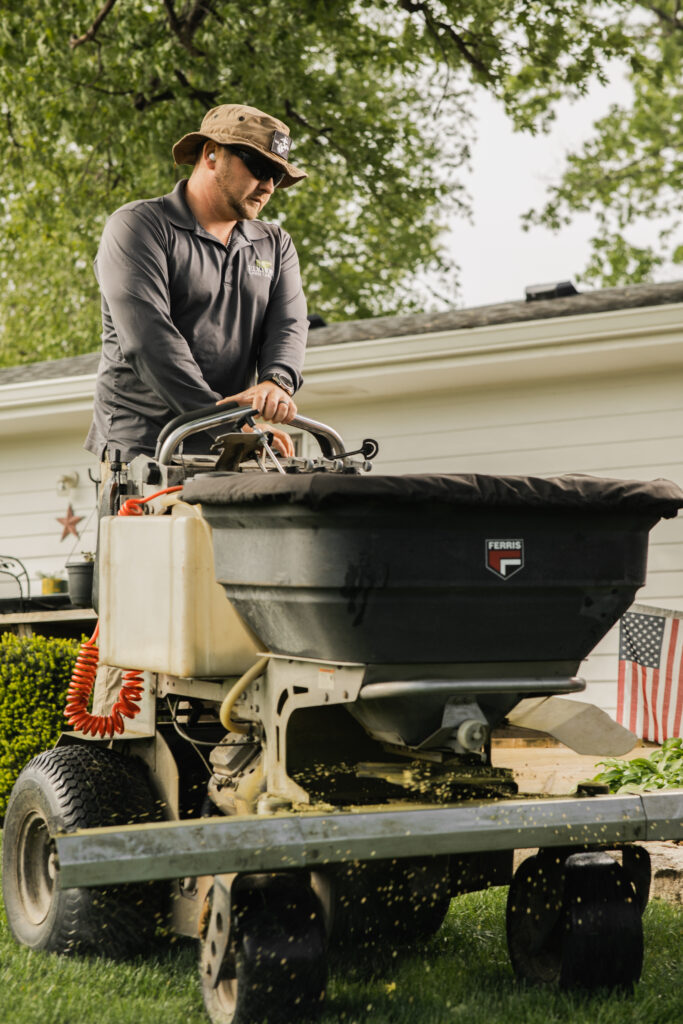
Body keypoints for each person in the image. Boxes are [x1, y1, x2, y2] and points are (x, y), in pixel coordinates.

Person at [85, 102, 309, 465]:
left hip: (230, 450)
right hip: (144, 452)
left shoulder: (275, 244)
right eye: (258, 167)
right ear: (210, 154)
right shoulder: (138, 227)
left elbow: (289, 325)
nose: (268, 185)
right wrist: (230, 424)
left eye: (277, 176)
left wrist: (276, 382)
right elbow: (149, 342)